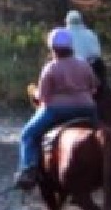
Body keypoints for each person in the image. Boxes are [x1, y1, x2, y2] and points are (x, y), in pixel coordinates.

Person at [14, 27, 100, 191]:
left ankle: (29, 169)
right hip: (87, 109)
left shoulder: (51, 68)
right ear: (71, 46)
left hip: (58, 110)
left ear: (53, 48)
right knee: (102, 131)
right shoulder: (83, 64)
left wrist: (34, 92)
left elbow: (43, 98)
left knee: (28, 134)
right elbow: (94, 86)